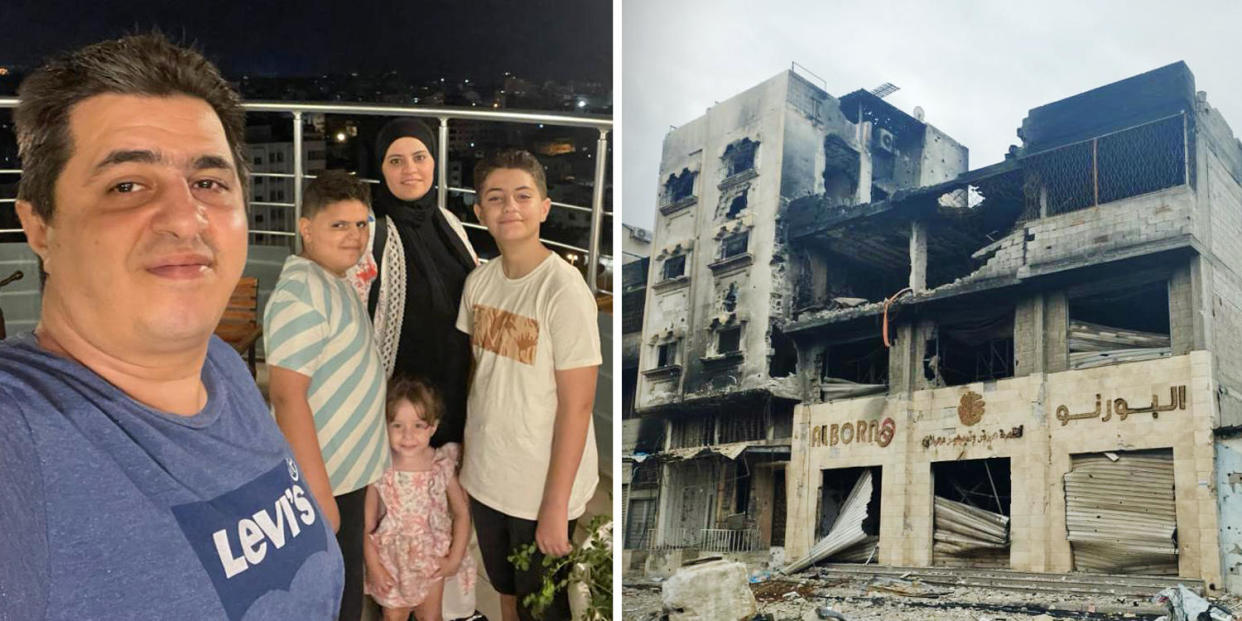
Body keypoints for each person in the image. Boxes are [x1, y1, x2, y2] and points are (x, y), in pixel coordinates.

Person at [0, 34, 343, 619]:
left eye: (209, 182)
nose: (188, 217)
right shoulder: (20, 440)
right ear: (40, 228)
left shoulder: (222, 368)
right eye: (126, 185)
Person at [456, 150, 601, 621]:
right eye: (495, 199)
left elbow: (577, 407)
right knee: (506, 590)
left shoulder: (563, 290)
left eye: (522, 196)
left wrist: (556, 506)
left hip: (540, 486)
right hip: (488, 474)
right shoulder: (478, 283)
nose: (509, 207)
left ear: (545, 207)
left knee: (546, 607)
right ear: (479, 213)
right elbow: (478, 375)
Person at [264, 170, 389, 621]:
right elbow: (286, 395)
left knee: (346, 590)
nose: (355, 237)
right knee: (334, 600)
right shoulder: (302, 292)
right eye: (339, 225)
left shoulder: (333, 280)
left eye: (361, 224)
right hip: (327, 481)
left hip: (346, 475)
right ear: (306, 228)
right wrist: (319, 495)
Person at [350, 118, 477, 450]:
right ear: (381, 169)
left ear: (434, 162)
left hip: (455, 389)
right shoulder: (371, 232)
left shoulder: (449, 223)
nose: (411, 169)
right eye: (396, 161)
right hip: (402, 406)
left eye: (420, 157)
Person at [363, 376, 476, 621]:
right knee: (394, 616)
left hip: (430, 561)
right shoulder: (379, 467)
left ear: (433, 427)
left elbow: (462, 513)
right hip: (391, 564)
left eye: (418, 425)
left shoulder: (440, 465)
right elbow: (366, 524)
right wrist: (374, 567)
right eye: (397, 425)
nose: (408, 436)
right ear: (385, 425)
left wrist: (454, 559)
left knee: (431, 617)